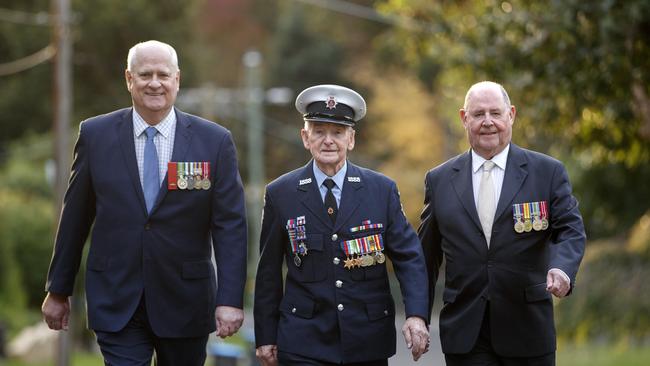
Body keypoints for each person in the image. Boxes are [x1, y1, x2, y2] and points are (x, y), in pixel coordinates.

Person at [41, 40, 248, 366]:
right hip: (117, 298)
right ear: (129, 79)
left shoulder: (215, 141)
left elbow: (230, 226)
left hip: (185, 301)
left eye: (163, 75)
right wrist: (58, 290)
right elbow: (75, 217)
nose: (154, 83)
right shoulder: (96, 135)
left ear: (177, 80)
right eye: (145, 74)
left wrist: (231, 300)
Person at [254, 84, 430, 366]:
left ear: (351, 139)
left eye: (337, 132)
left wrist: (417, 315)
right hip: (303, 340)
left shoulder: (381, 190)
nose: (328, 141)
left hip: (367, 339)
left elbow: (409, 258)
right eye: (319, 131)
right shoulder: (281, 193)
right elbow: (268, 272)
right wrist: (265, 335)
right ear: (305, 137)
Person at [418, 81, 586, 366]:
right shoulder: (439, 180)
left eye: (495, 113)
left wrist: (562, 268)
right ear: (464, 118)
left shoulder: (547, 172)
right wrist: (417, 316)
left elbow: (570, 230)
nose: (487, 122)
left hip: (528, 330)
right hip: (466, 333)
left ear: (511, 115)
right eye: (478, 114)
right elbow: (426, 257)